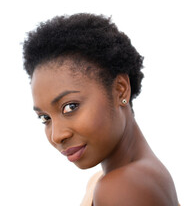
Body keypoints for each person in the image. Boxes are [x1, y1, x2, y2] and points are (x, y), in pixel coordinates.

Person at [23, 13, 179, 206]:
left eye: (70, 107)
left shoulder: (123, 187)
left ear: (120, 89)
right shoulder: (105, 180)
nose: (56, 136)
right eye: (45, 118)